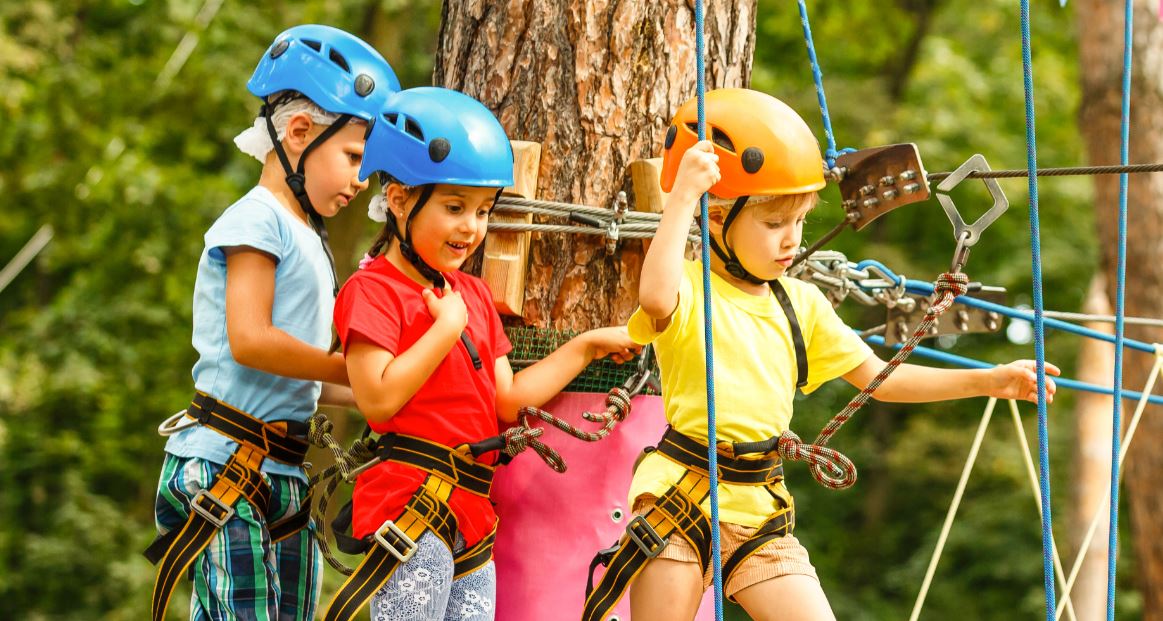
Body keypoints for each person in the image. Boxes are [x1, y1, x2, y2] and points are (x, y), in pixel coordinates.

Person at [583, 87, 1060, 621]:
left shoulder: (801, 304)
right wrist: (682, 199)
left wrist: (990, 380)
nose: (791, 240)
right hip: (678, 498)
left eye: (800, 222)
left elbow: (881, 379)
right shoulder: (689, 290)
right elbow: (654, 298)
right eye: (773, 224)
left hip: (760, 507)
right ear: (715, 218)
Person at [323, 86, 639, 621]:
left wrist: (585, 347)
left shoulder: (470, 295)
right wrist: (446, 329)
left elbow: (507, 401)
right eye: (454, 208)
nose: (471, 227)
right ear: (398, 199)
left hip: (472, 514)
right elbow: (376, 399)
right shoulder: (372, 291)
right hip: (408, 502)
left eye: (483, 211)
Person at [145, 24, 398, 621]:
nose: (361, 181)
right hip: (223, 462)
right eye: (354, 157)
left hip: (282, 471)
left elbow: (306, 376)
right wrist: (348, 367)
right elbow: (252, 340)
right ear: (300, 133)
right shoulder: (257, 219)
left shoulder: (311, 236)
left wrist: (389, 391)